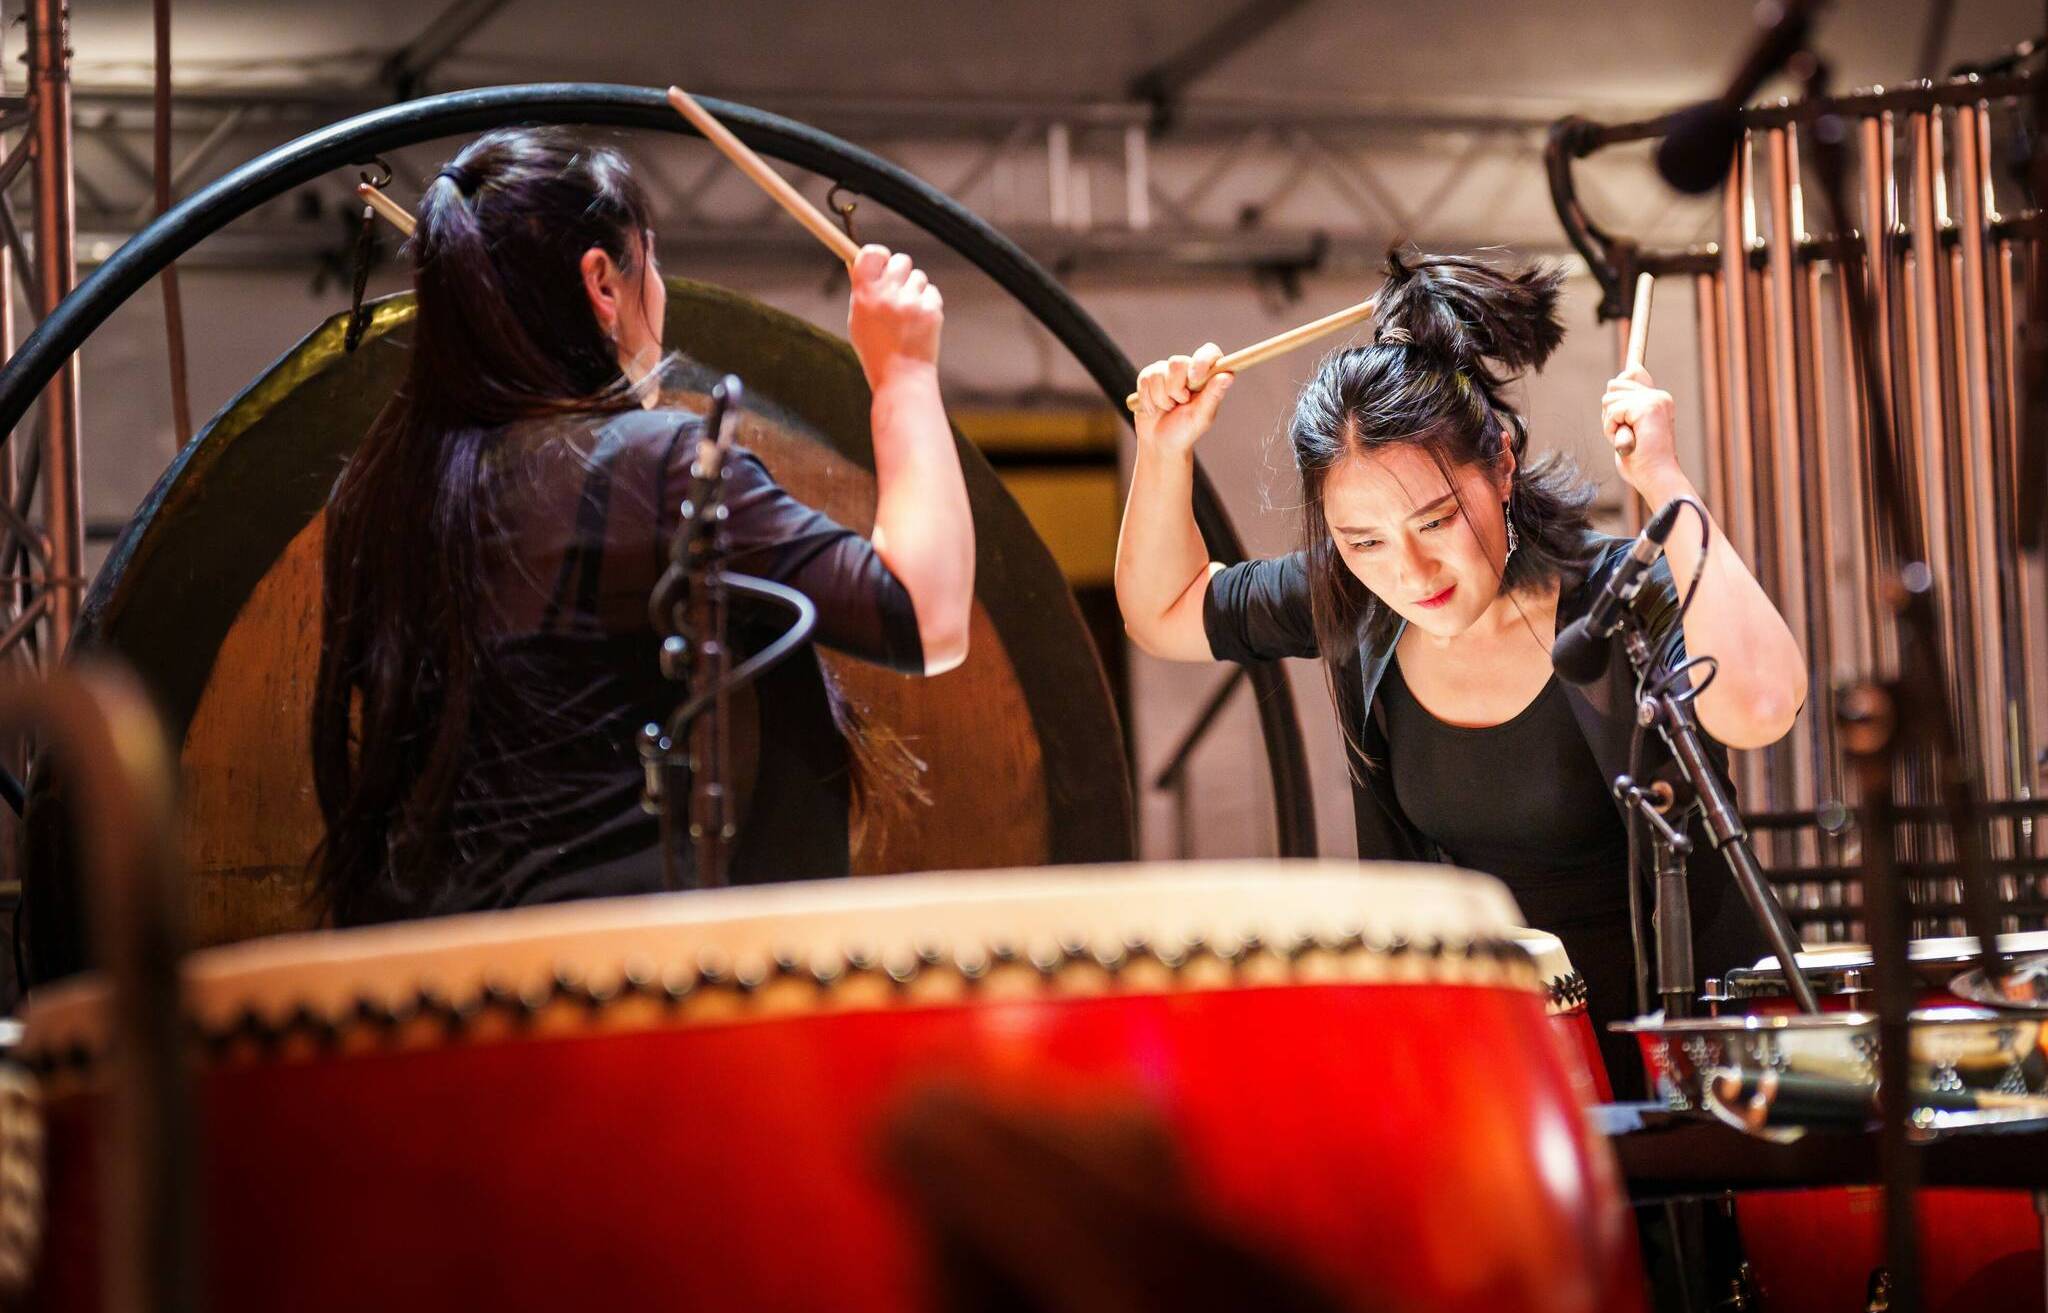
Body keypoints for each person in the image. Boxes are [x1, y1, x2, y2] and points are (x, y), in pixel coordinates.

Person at [1115, 250, 1807, 1096]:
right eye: (1363, 540)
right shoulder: (1356, 600)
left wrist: (1664, 478)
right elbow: (1164, 610)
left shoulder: (1617, 593)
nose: (1409, 571)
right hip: (1510, 1071)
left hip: (1706, 1067)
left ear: (1503, 464)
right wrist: (1164, 450)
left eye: (1436, 520)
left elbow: (1762, 705)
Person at [312, 128, 974, 926]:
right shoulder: (648, 465)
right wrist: (904, 371)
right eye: (649, 262)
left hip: (429, 974)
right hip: (609, 971)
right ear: (603, 281)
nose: (659, 292)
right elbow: (924, 615)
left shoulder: (376, 490)